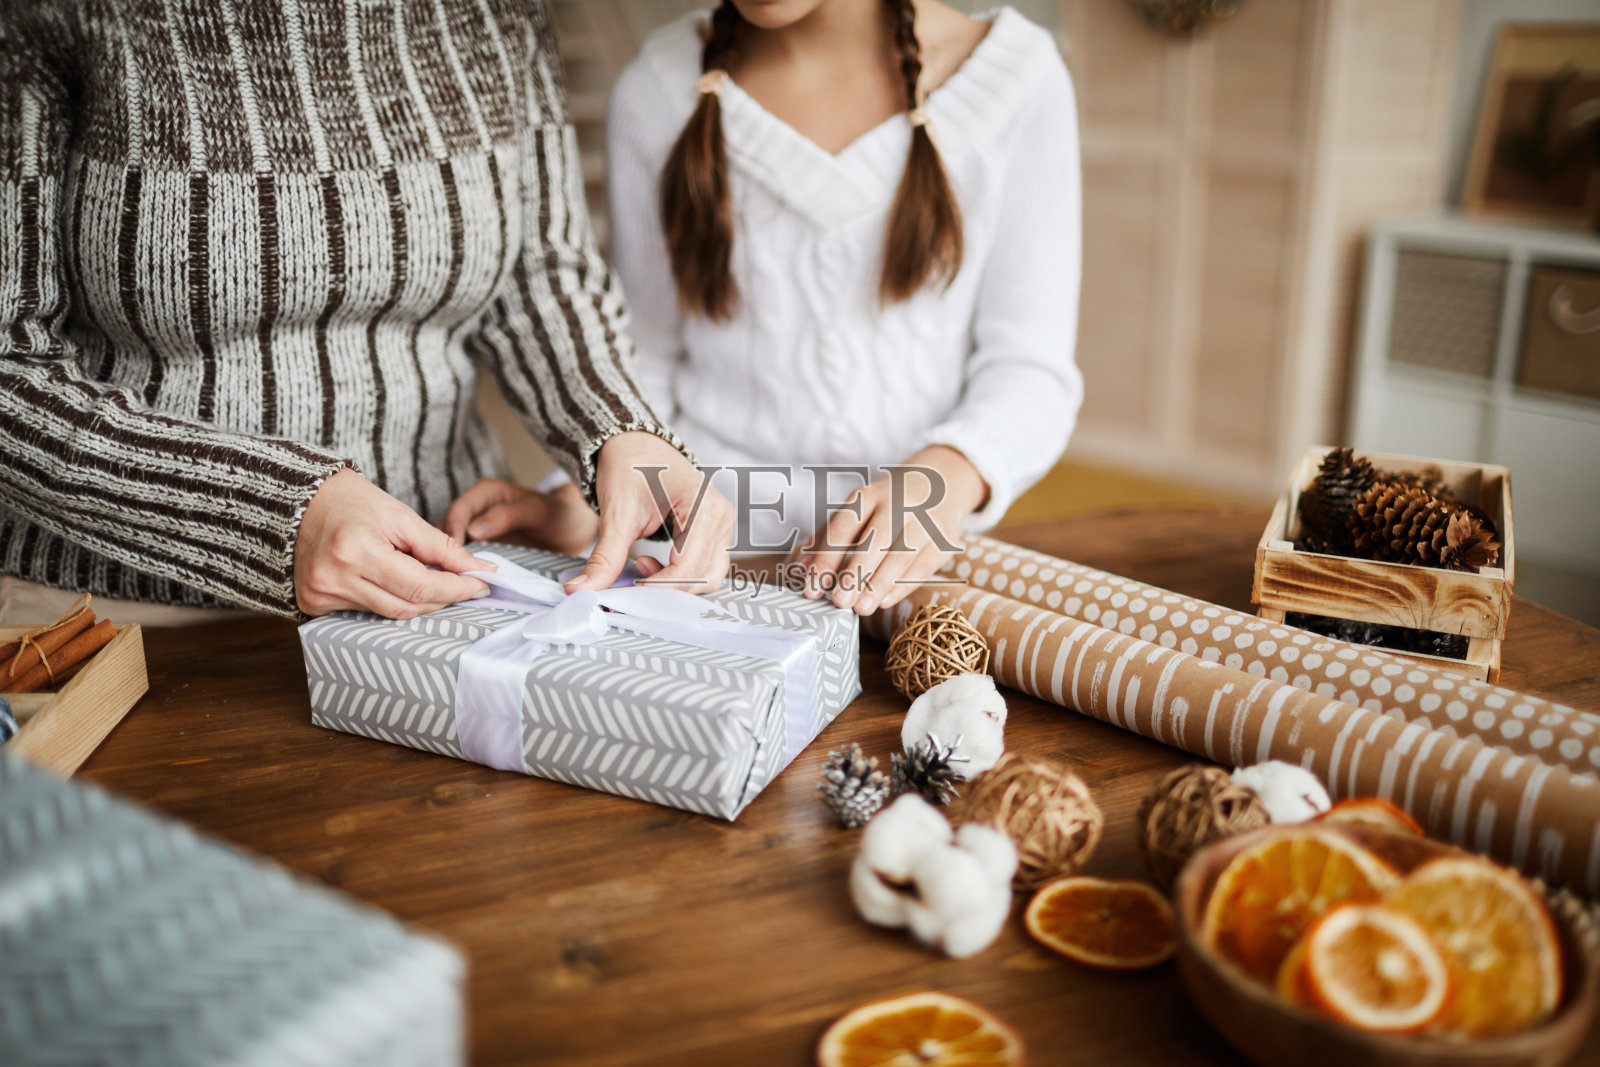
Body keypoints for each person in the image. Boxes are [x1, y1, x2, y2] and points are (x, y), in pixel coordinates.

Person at [0, 0, 732, 626]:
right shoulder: (52, 17)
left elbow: (539, 269)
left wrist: (619, 428)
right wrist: (276, 515)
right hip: (126, 621)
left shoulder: (495, 10)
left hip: (458, 596)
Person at [445, 0, 1082, 617]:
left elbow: (1030, 371)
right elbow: (646, 365)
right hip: (698, 582)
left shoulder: (1018, 77)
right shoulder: (658, 92)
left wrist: (946, 476)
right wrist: (583, 501)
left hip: (910, 580)